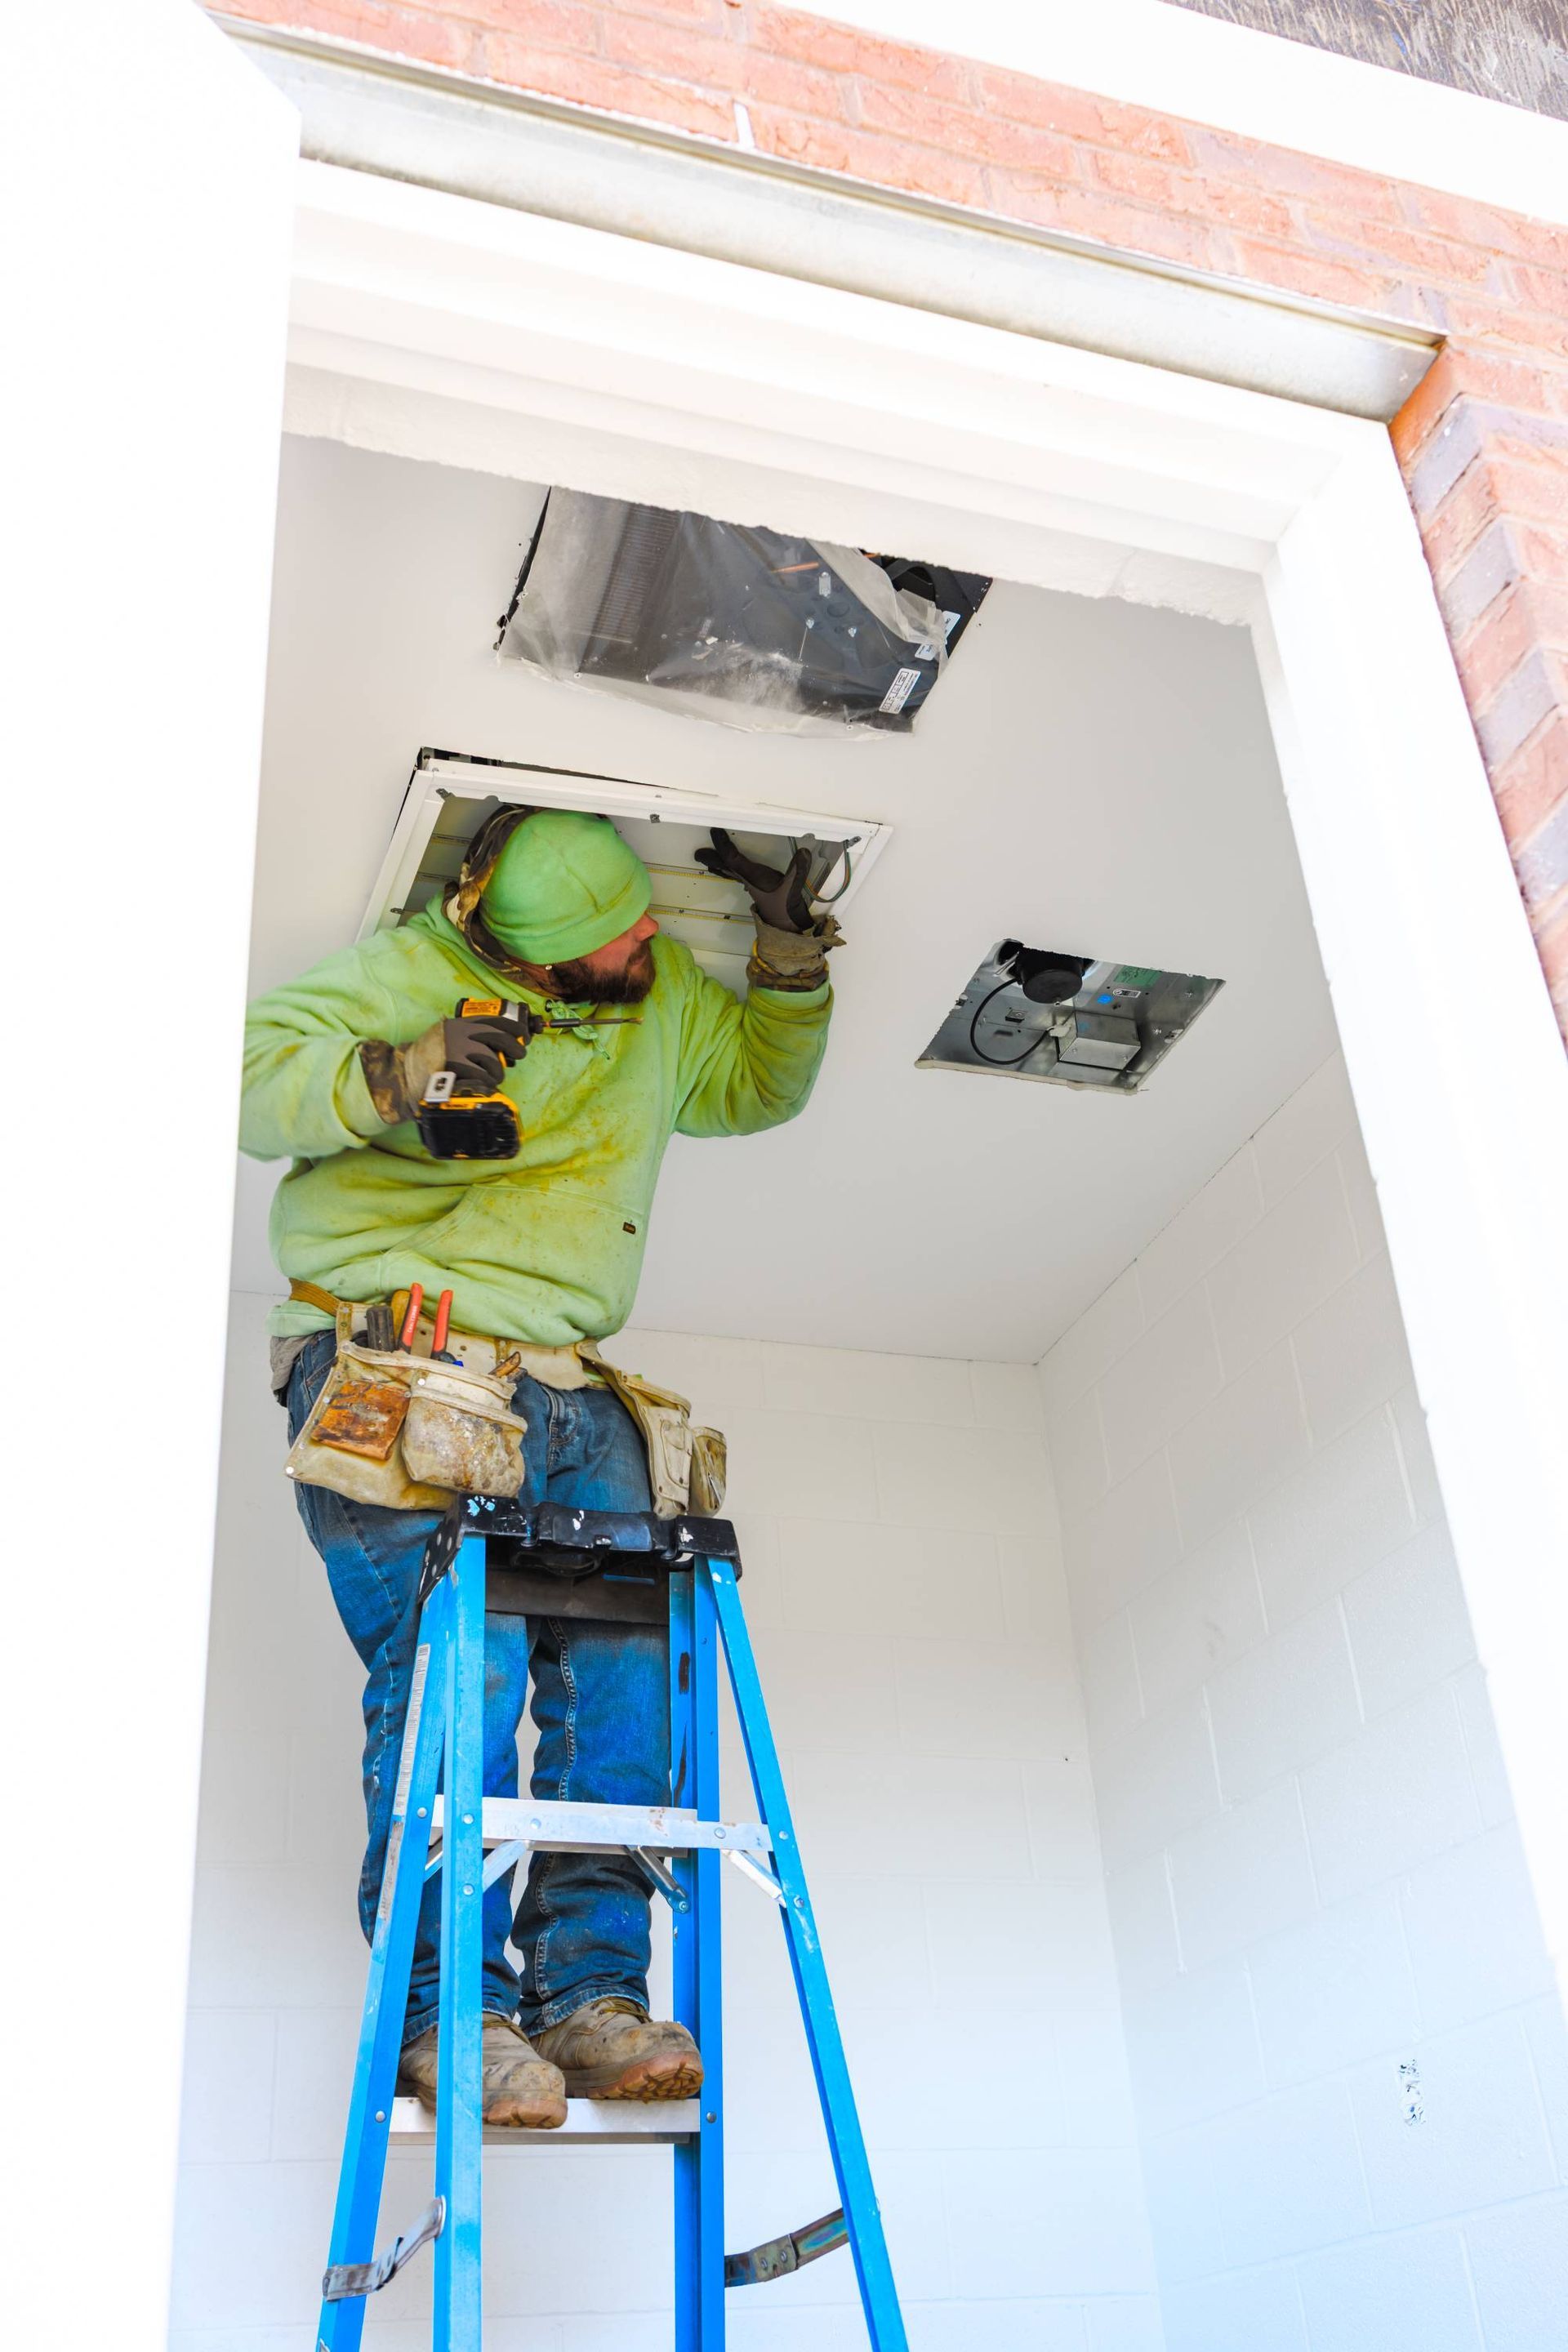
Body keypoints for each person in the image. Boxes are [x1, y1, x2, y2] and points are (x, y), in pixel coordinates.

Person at [240, 807, 838, 2128]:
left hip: (571, 1384)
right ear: (532, 953)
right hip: (409, 1360)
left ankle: (590, 1999)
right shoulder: (405, 971)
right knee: (470, 1666)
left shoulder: (658, 991)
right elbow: (241, 1079)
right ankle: (447, 2012)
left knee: (627, 1682)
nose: (650, 942)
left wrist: (791, 957)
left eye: (646, 922)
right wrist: (396, 1077)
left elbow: (753, 1085)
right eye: (619, 938)